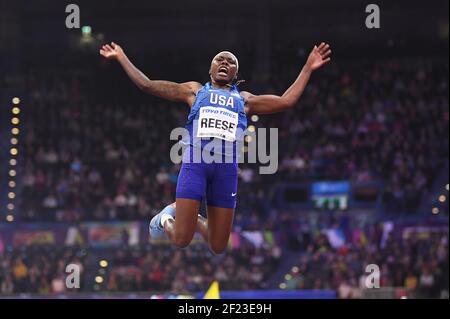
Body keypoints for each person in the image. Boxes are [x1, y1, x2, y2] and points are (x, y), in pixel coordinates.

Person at [100, 41, 331, 254]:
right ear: (210, 69)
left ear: (235, 74)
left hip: (225, 171)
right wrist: (121, 56)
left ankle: (193, 217)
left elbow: (286, 101)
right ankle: (164, 219)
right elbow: (147, 85)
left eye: (230, 62)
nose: (224, 62)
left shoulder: (245, 100)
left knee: (218, 246)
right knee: (181, 240)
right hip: (196, 165)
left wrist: (308, 68)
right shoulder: (195, 91)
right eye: (219, 59)